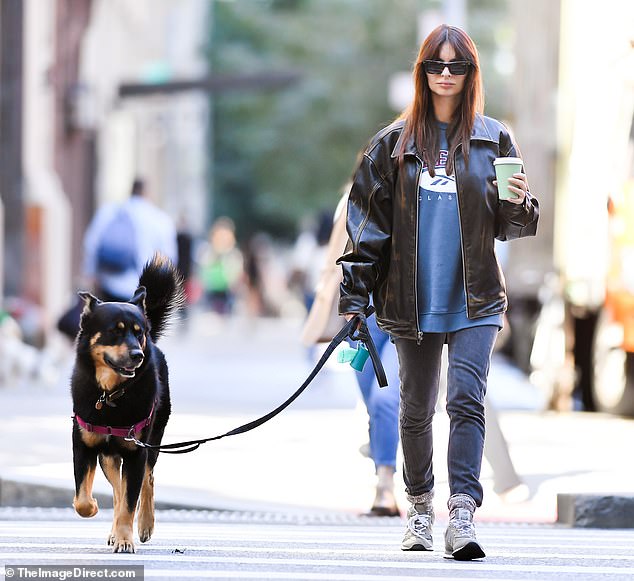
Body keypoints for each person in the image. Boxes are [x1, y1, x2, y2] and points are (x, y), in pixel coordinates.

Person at [337, 24, 539, 560]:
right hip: (411, 300)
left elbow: (514, 223)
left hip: (475, 299)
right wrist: (355, 302)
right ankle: (421, 506)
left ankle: (463, 516)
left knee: (466, 400)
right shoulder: (391, 145)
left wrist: (518, 201)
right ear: (421, 72)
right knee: (415, 408)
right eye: (435, 65)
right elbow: (365, 230)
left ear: (472, 74)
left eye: (457, 66)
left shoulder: (494, 138)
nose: (445, 75)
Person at [301, 192, 401, 517]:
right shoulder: (353, 199)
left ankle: (385, 485)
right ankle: (381, 451)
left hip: (404, 317)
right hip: (360, 319)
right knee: (372, 402)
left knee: (386, 400)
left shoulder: (416, 193)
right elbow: (332, 261)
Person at [83, 178, 178, 302]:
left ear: (131, 190)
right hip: (143, 292)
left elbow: (91, 244)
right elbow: (168, 259)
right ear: (148, 194)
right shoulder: (161, 220)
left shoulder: (110, 212)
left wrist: (91, 275)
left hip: (110, 286)